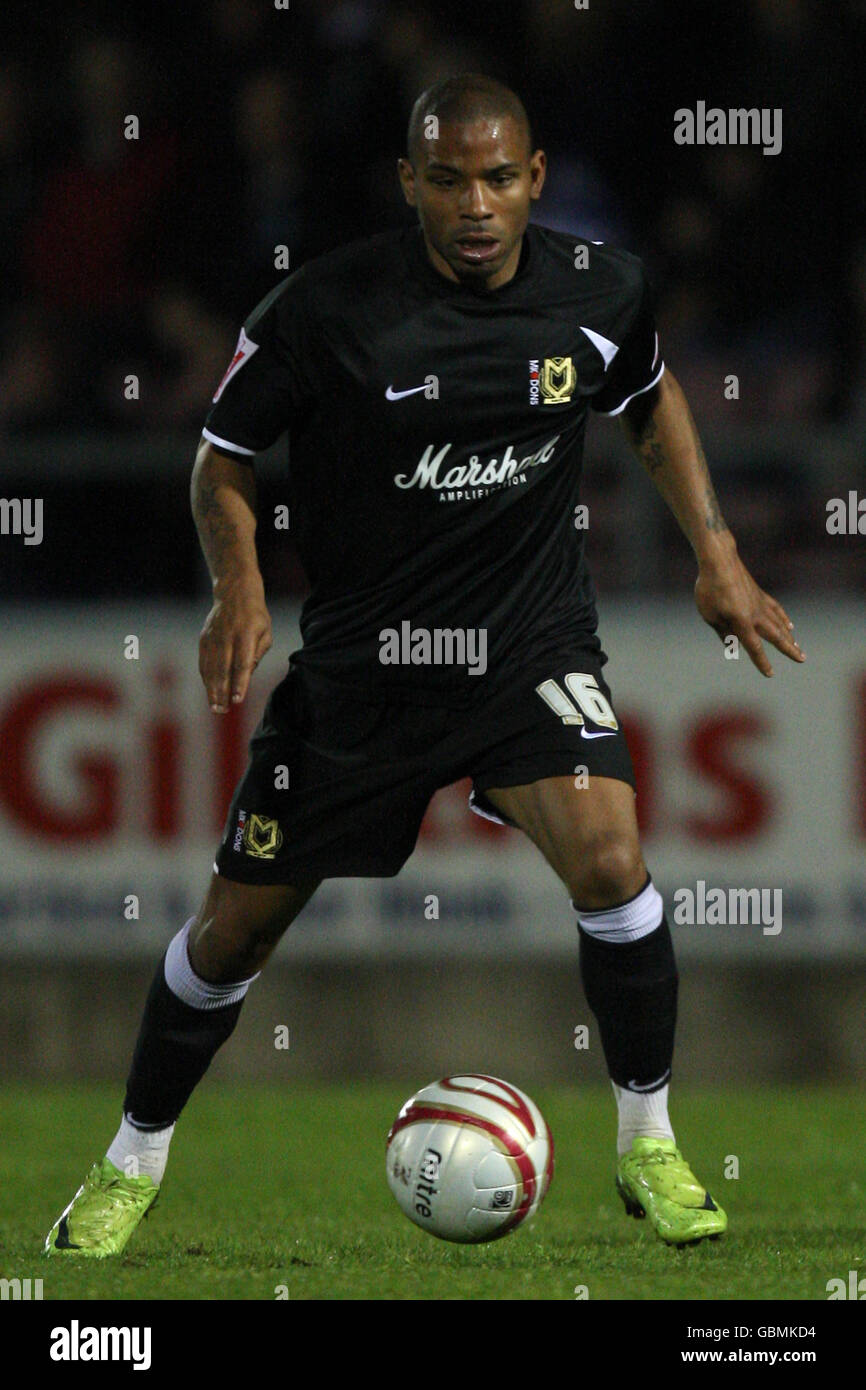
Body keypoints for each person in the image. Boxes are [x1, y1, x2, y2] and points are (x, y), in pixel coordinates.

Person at [44, 73, 804, 1258]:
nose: (475, 204)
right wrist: (237, 584)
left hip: (528, 649)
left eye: (498, 178)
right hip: (363, 676)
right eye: (445, 179)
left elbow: (650, 401)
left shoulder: (598, 290)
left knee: (611, 858)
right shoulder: (325, 310)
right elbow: (222, 458)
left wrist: (715, 553)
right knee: (229, 936)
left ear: (535, 178)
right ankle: (131, 1158)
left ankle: (648, 1143)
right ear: (409, 183)